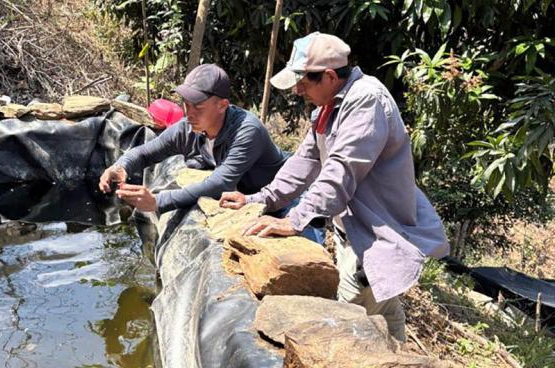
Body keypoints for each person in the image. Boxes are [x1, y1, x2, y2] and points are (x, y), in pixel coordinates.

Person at [219, 32, 450, 342]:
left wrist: (294, 220)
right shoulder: (328, 108)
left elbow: (340, 173)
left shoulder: (366, 101)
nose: (298, 90)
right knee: (382, 313)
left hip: (375, 237)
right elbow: (303, 164)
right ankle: (399, 352)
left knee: (342, 328)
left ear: (329, 76)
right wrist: (257, 199)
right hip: (352, 233)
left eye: (303, 82)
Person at [98, 63, 287, 216]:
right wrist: (120, 168)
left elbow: (220, 183)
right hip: (242, 201)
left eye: (198, 106)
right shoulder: (187, 128)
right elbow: (145, 152)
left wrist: (157, 202)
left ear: (222, 105)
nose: (189, 114)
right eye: (186, 105)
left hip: (280, 202)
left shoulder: (247, 131)